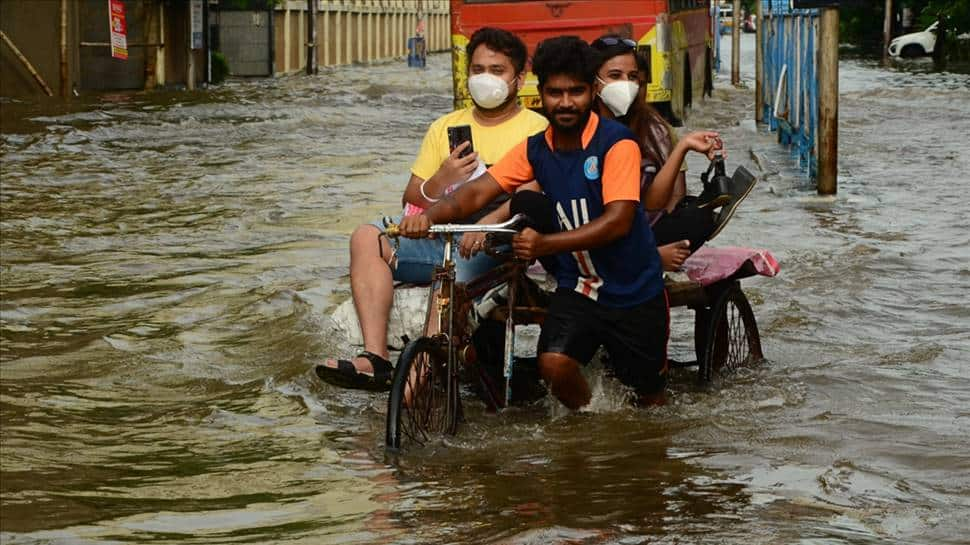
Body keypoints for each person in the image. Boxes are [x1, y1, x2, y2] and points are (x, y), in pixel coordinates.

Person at [398, 36, 724, 409]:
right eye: (555, 93)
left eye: (576, 92)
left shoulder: (617, 144)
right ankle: (593, 425)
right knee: (553, 365)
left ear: (591, 93)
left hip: (634, 292)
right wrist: (427, 217)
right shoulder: (534, 148)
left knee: (651, 401)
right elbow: (475, 194)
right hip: (579, 287)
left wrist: (545, 246)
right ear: (542, 94)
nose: (566, 103)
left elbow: (617, 222)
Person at [316, 27, 549, 391]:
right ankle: (375, 358)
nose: (485, 78)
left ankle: (417, 379)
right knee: (367, 236)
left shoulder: (537, 128)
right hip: (439, 235)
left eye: (497, 70)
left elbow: (537, 192)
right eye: (478, 69)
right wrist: (442, 178)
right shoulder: (445, 127)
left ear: (519, 78)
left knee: (451, 279)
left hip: (496, 245)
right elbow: (413, 195)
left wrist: (487, 224)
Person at [590, 35, 753, 271]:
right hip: (594, 231)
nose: (626, 84)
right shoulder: (580, 129)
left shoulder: (654, 129)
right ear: (594, 83)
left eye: (633, 77)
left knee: (699, 218)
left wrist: (683, 146)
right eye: (615, 76)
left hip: (641, 227)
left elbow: (659, 205)